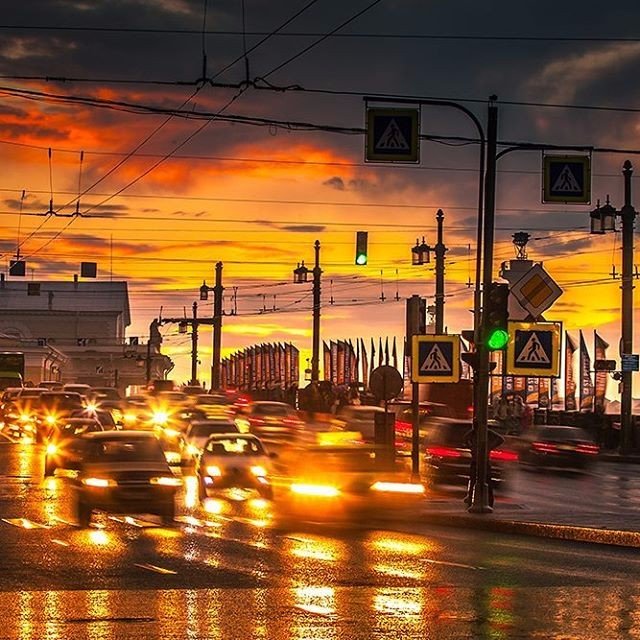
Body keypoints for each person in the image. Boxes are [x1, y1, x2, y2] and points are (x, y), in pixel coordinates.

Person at [463, 422, 505, 508]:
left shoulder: (487, 432)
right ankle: (471, 500)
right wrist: (471, 447)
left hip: (484, 461)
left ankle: (488, 501)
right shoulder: (473, 433)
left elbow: (500, 439)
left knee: (486, 482)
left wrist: (490, 446)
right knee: (474, 481)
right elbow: (465, 439)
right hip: (476, 461)